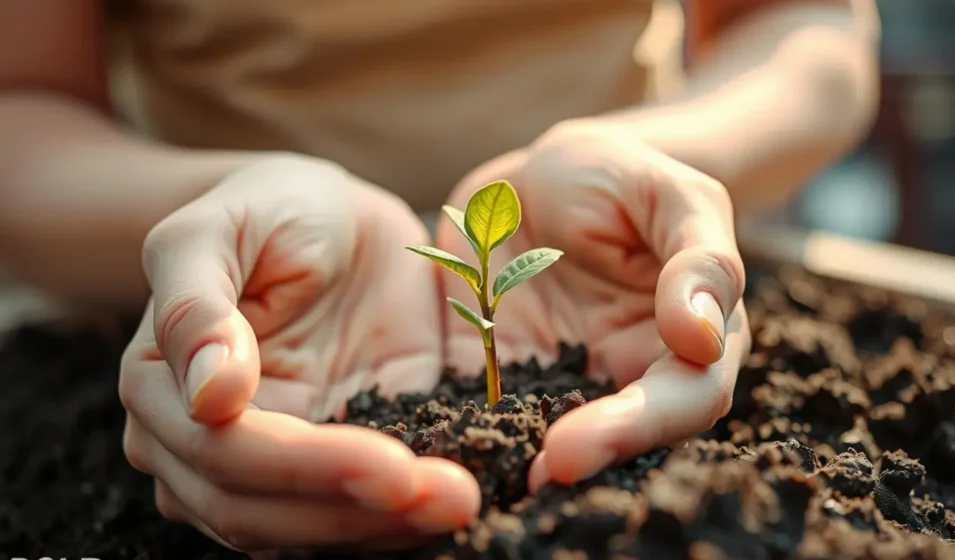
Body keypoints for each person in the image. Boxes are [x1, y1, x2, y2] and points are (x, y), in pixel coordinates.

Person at [0, 0, 879, 553]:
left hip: (611, 285)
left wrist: (658, 161)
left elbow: (811, 26)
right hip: (229, 313)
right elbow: (21, 104)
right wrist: (208, 214)